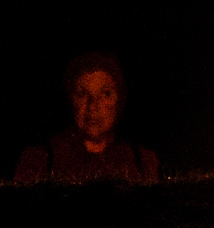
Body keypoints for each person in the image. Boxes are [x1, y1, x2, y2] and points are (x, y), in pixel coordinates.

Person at [15, 51, 160, 186]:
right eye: (82, 94)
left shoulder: (142, 161)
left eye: (105, 94)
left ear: (119, 100)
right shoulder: (40, 159)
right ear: (71, 100)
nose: (93, 106)